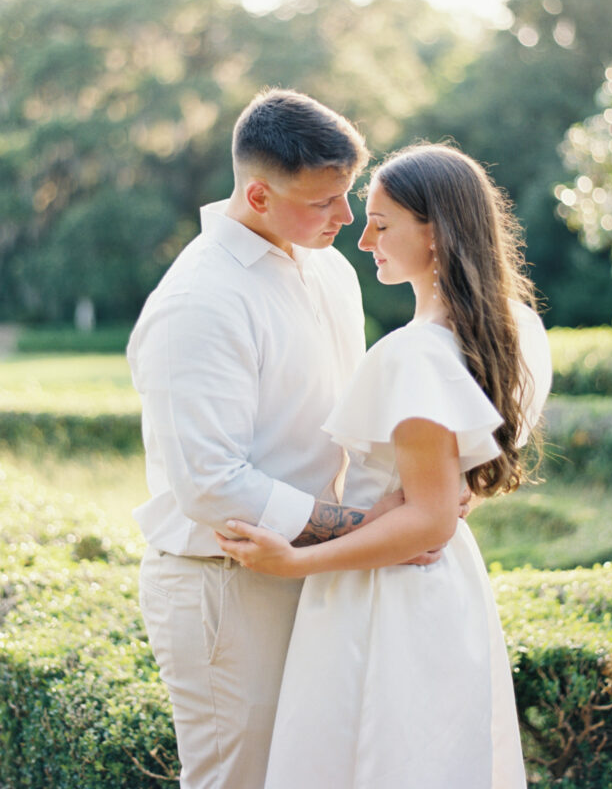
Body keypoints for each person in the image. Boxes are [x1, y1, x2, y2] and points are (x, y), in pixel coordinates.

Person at [216, 143, 553, 789]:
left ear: (436, 233)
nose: (364, 236)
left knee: (373, 760)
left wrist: (295, 561)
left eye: (382, 221)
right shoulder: (514, 331)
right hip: (444, 590)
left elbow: (430, 521)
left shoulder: (415, 355)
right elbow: (452, 493)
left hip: (385, 592)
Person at [128, 89, 436, 789]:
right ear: (259, 197)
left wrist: (428, 486)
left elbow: (349, 415)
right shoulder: (198, 302)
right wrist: (361, 529)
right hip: (227, 587)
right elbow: (210, 483)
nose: (347, 216)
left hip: (321, 568)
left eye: (348, 193)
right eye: (323, 200)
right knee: (241, 781)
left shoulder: (328, 266)